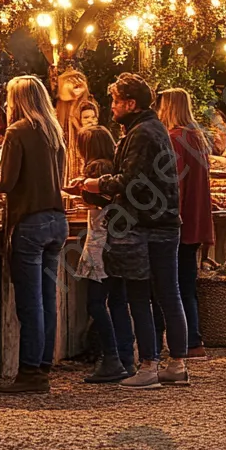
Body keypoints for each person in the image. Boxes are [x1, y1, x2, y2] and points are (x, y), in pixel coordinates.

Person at [80, 73, 190, 390]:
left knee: (140, 295)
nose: (111, 107)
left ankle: (148, 367)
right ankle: (177, 364)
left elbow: (129, 181)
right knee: (169, 294)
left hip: (144, 226)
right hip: (165, 222)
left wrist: (96, 183)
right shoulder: (149, 129)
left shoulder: (142, 133)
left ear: (130, 103)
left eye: (115, 101)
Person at [0, 76, 68, 395]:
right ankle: (44, 363)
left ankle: (30, 371)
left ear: (16, 100)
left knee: (30, 301)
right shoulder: (54, 132)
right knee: (48, 298)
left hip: (30, 221)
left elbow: (7, 183)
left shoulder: (17, 131)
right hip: (56, 220)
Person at [72, 126, 136, 383]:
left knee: (96, 304)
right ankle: (127, 357)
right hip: (118, 242)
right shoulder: (115, 167)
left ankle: (110, 357)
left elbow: (94, 201)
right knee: (119, 302)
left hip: (99, 243)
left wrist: (79, 190)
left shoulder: (95, 168)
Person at [158, 88, 215, 361]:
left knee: (172, 287)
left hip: (179, 224)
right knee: (186, 284)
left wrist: (169, 219)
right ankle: (194, 340)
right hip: (195, 221)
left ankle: (187, 342)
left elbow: (174, 185)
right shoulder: (197, 138)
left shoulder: (175, 139)